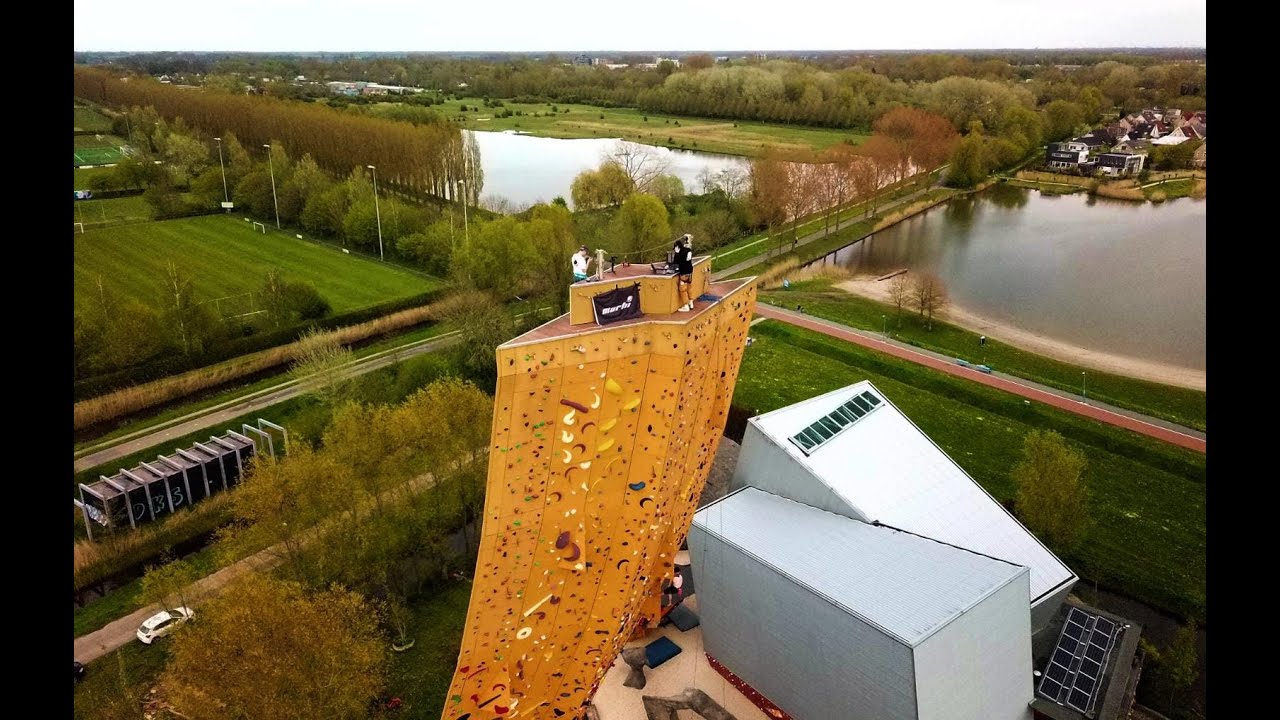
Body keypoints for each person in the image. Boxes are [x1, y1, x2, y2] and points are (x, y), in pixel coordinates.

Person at [674, 234, 694, 311]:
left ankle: (686, 306)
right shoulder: (688, 251)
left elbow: (676, 261)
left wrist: (676, 253)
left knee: (682, 290)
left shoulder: (681, 254)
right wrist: (688, 240)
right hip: (690, 273)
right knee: (689, 287)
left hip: (684, 274)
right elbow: (688, 248)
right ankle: (691, 302)